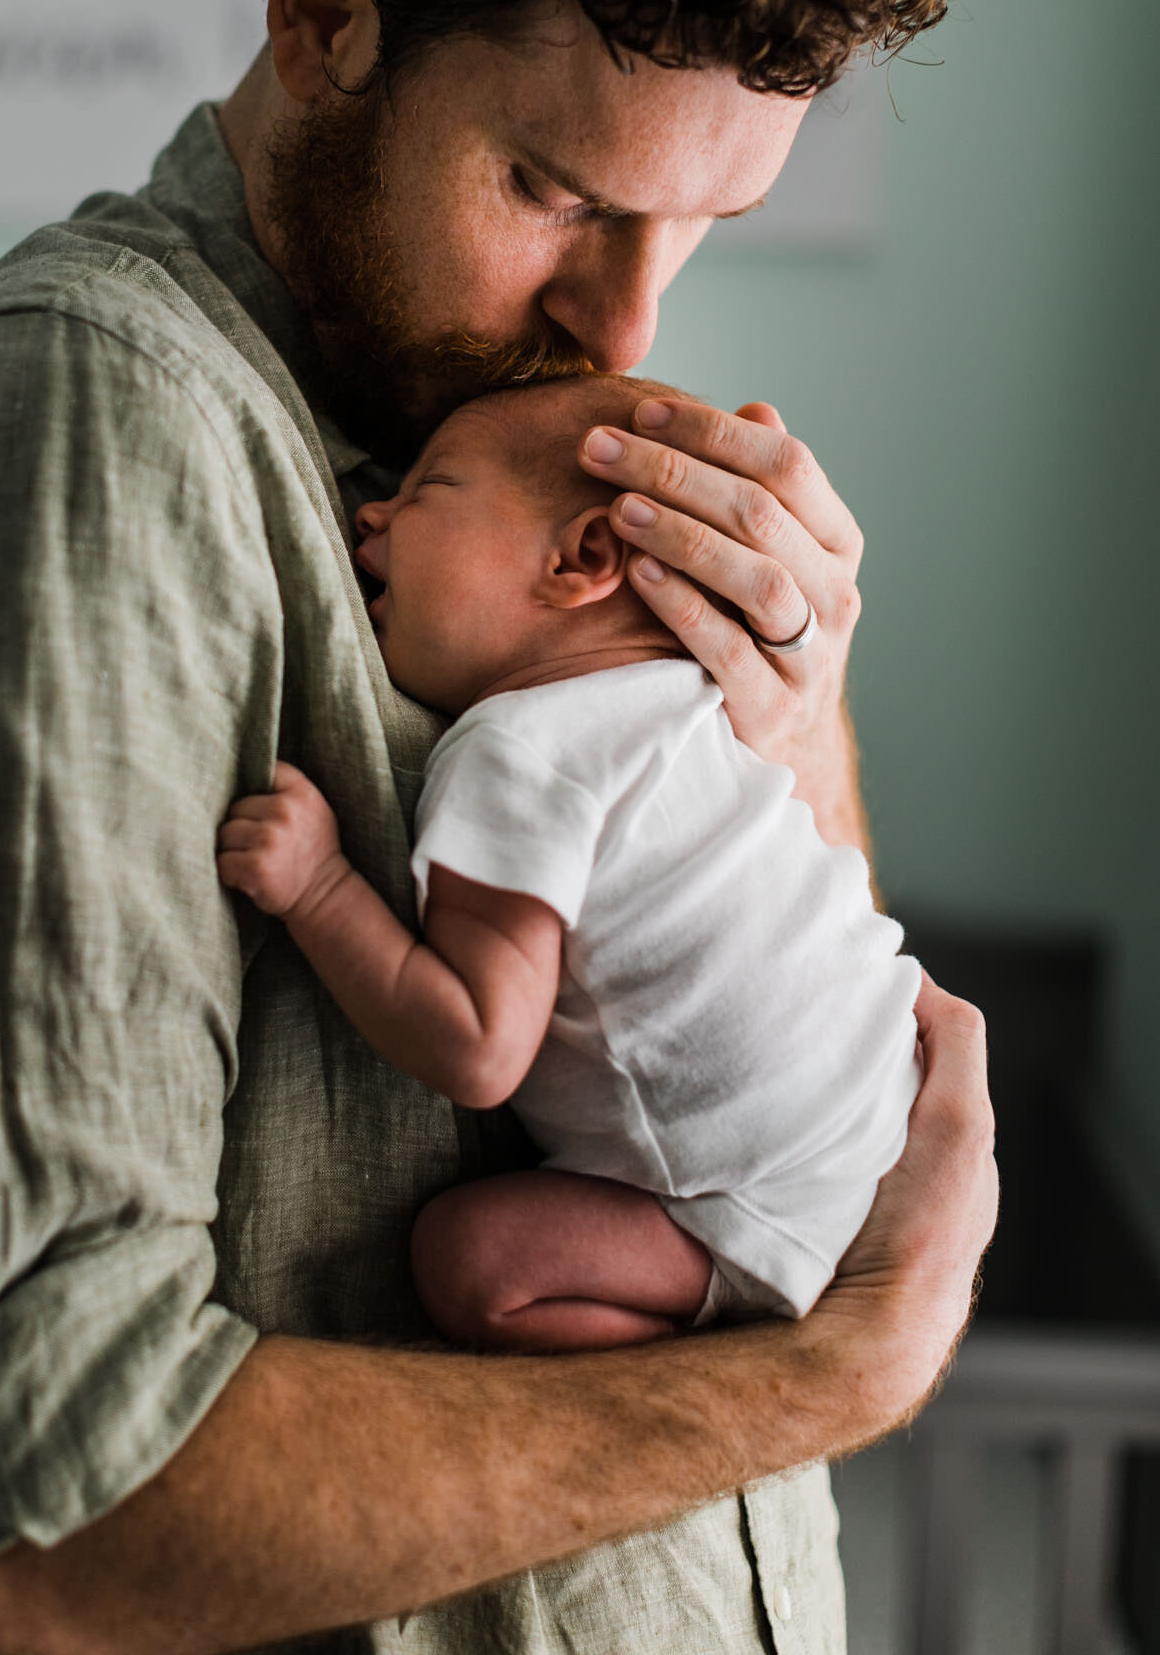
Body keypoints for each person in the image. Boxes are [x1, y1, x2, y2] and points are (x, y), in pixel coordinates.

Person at [0, 0, 997, 1652]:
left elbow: (751, 1064)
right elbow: (41, 1524)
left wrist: (791, 730)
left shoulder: (518, 465)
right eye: (552, 187)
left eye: (697, 229)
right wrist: (828, 1373)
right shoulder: (80, 431)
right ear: (323, 9)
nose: (627, 330)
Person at [217, 371, 924, 1347]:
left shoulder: (517, 749)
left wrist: (319, 886)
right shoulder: (703, 703)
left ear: (581, 555)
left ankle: (719, 1307)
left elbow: (476, 1044)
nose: (369, 515)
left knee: (466, 1260)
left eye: (427, 491)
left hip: (768, 1200)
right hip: (895, 1089)